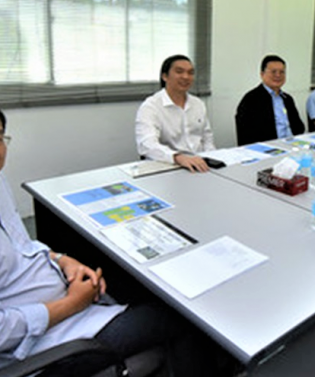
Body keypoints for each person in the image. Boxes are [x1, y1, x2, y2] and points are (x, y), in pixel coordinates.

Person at [0, 109, 224, 376]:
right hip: (49, 343)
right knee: (182, 316)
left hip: (67, 297)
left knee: (153, 282)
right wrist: (72, 303)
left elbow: (22, 245)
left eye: (0, 137)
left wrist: (62, 260)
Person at [136, 55, 215, 173]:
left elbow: (207, 138)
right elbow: (146, 144)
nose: (186, 77)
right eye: (179, 72)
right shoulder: (150, 107)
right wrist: (177, 157)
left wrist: (212, 158)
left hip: (200, 165)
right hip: (168, 165)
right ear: (165, 76)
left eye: (190, 73)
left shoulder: (198, 104)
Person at [235, 54, 305, 146]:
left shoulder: (287, 99)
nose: (278, 75)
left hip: (293, 144)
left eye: (282, 72)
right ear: (262, 74)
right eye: (273, 72)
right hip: (270, 148)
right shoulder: (251, 100)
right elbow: (247, 135)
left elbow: (299, 128)